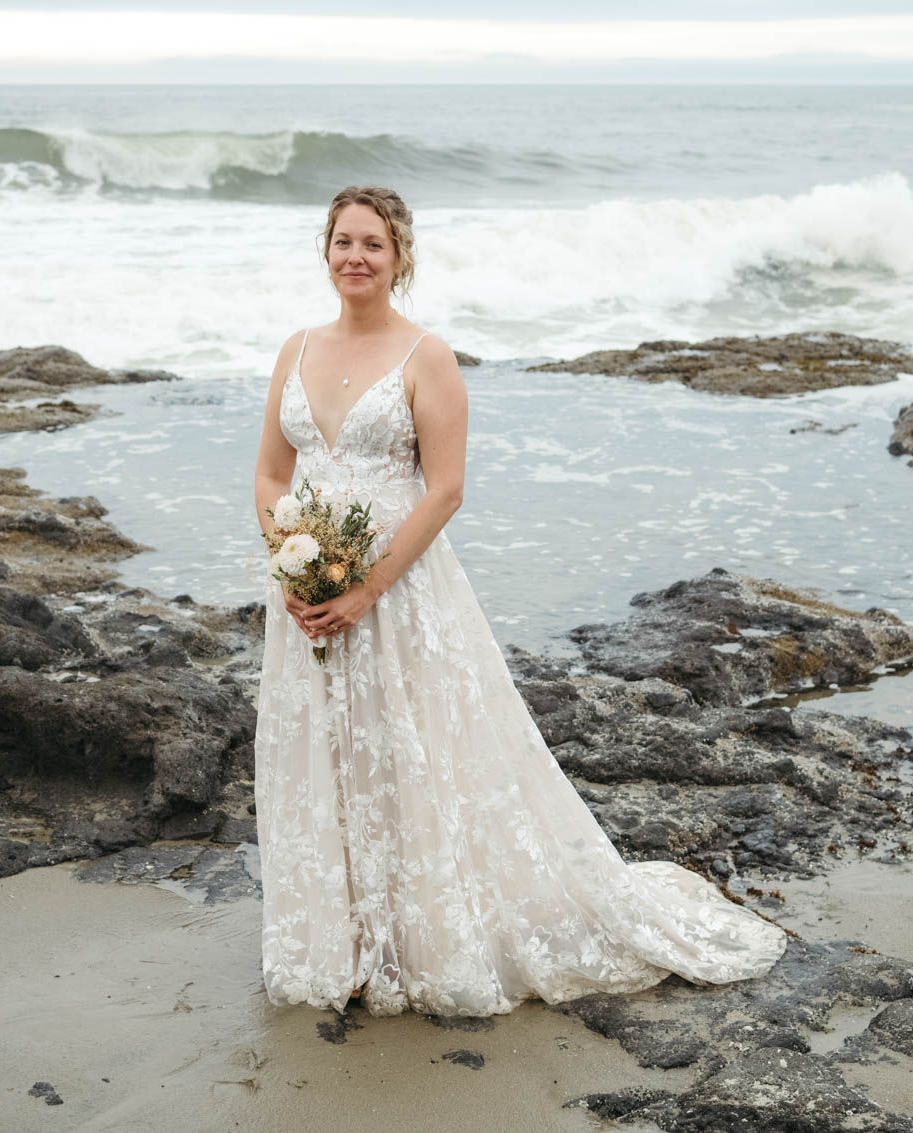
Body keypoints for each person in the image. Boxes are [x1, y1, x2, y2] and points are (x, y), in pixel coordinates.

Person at [250, 185, 787, 1018]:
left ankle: (420, 933)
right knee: (326, 750)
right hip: (306, 596)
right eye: (342, 241)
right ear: (325, 250)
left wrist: (363, 589)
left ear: (400, 258)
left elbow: (446, 490)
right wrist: (290, 565)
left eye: (373, 244)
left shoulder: (425, 355)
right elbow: (272, 474)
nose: (355, 256)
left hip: (398, 591)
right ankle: (341, 934)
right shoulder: (295, 349)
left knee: (413, 750)